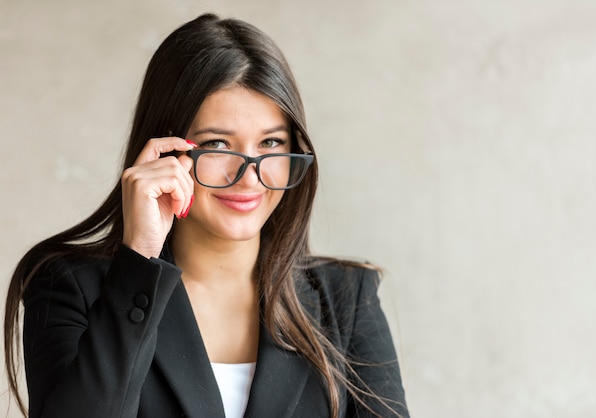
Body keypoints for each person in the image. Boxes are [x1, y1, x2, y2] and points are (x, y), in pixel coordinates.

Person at [4, 13, 409, 418]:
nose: (248, 176)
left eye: (271, 142)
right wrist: (140, 259)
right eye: (217, 143)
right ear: (163, 150)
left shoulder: (345, 300)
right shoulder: (70, 288)